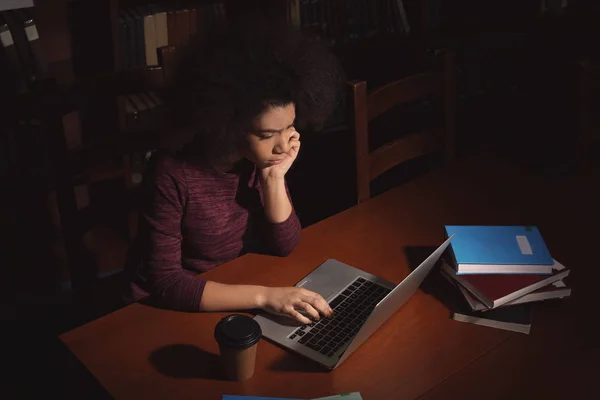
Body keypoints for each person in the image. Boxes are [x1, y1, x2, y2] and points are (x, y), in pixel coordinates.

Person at [123, 16, 344, 325]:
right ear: (227, 124)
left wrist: (274, 179)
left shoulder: (259, 161)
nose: (283, 146)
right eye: (267, 135)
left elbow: (286, 245)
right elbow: (166, 282)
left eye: (289, 127)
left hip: (236, 283)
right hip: (171, 305)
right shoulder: (172, 173)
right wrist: (266, 297)